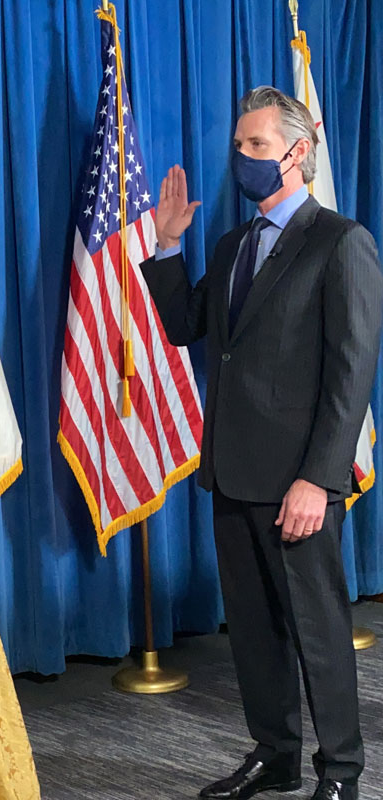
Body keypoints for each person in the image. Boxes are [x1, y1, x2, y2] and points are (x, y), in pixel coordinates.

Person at [141, 87, 383, 800]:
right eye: (238, 145)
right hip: (232, 473)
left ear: (297, 152)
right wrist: (167, 245)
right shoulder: (232, 243)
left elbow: (351, 374)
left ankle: (339, 772)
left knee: (317, 633)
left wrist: (319, 477)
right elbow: (188, 326)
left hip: (298, 484)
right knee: (252, 632)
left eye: (254, 146)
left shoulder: (341, 242)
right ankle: (273, 755)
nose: (240, 158)